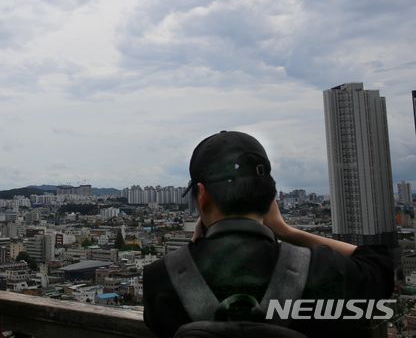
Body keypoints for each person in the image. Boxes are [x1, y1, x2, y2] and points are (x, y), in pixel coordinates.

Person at [143, 130, 394, 338]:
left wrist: (195, 244)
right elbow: (379, 265)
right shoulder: (323, 271)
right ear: (270, 196)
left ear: (202, 195)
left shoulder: (160, 279)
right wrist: (287, 231)